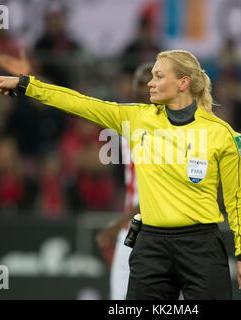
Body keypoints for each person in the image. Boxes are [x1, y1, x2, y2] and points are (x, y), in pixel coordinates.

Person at [0, 49, 241, 300]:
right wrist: (27, 85)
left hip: (201, 247)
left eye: (159, 76)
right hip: (152, 245)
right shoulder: (137, 118)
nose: (150, 82)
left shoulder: (223, 135)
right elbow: (81, 103)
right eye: (151, 76)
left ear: (183, 83)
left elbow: (236, 199)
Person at [95, 63, 152, 300]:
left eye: (150, 81)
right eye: (139, 82)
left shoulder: (168, 133)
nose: (145, 87)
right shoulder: (129, 124)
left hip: (156, 231)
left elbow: (156, 194)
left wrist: (118, 223)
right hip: (131, 229)